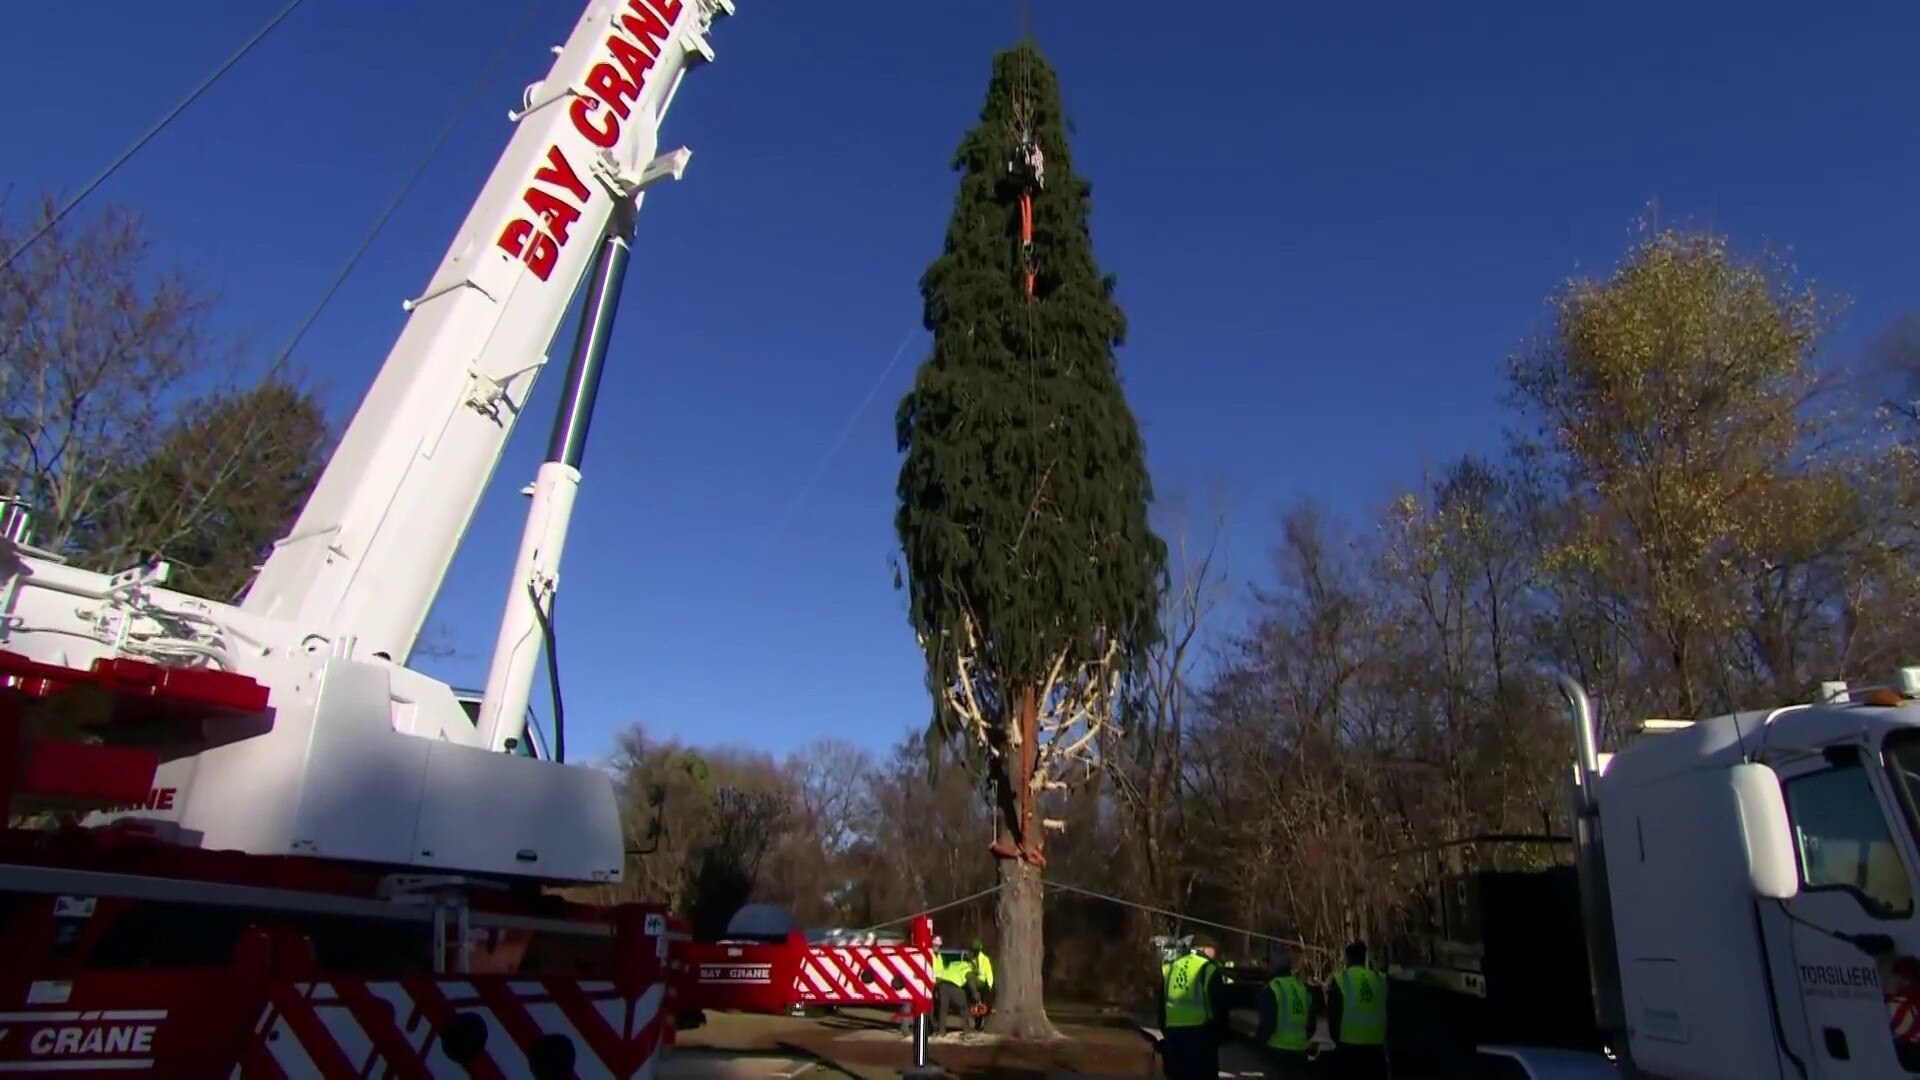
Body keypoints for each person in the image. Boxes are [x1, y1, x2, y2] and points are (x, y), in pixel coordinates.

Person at [1158, 933, 1230, 1080]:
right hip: (1201, 1036)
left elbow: (1160, 1006)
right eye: (1213, 951)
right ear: (1204, 949)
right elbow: (1220, 1006)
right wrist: (1220, 1034)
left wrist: (1166, 1032)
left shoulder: (1171, 968)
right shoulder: (1207, 968)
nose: (1214, 955)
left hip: (1174, 1037)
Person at [1326, 940, 1388, 1079]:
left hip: (1349, 1046)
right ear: (1363, 957)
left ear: (1348, 958)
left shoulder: (1341, 979)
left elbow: (1334, 1013)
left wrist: (1336, 1038)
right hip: (1376, 1047)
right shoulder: (1379, 979)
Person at [1254, 949, 1318, 1078]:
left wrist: (1259, 1045)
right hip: (1300, 1052)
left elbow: (1268, 1023)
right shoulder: (1302, 988)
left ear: (1275, 966)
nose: (1267, 967)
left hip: (1277, 1052)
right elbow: (1311, 1023)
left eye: (1269, 964)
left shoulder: (1273, 988)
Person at [934, 951, 975, 1034]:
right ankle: (966, 1030)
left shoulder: (953, 963)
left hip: (942, 985)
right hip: (954, 987)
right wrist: (975, 992)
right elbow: (970, 978)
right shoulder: (967, 966)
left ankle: (942, 1031)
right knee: (963, 1007)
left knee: (943, 1009)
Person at [969, 939, 995, 1030]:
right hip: (975, 983)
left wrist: (990, 984)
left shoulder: (985, 959)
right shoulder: (971, 959)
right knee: (976, 1002)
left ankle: (980, 1021)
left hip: (982, 983)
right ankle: (977, 1021)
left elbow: (988, 972)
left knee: (981, 1003)